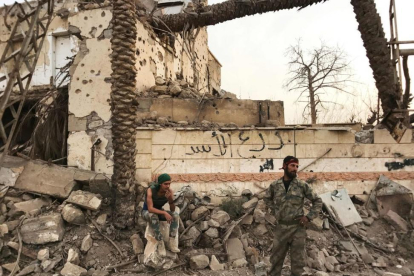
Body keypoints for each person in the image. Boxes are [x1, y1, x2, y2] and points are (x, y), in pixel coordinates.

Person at [264, 156, 322, 276]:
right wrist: (276, 211)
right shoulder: (275, 185)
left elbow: (317, 201)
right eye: (292, 165)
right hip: (281, 229)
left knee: (298, 264)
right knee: (275, 262)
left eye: (296, 166)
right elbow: (267, 198)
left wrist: (308, 217)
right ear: (285, 166)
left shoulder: (302, 185)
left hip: (297, 229)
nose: (295, 168)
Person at [142, 173, 180, 253]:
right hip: (147, 212)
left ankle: (171, 243)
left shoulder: (169, 192)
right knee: (153, 216)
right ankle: (160, 243)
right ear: (160, 184)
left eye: (169, 184)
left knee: (175, 215)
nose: (168, 186)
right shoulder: (150, 190)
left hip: (159, 212)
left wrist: (170, 200)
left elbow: (172, 210)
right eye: (165, 184)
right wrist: (164, 213)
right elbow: (150, 209)